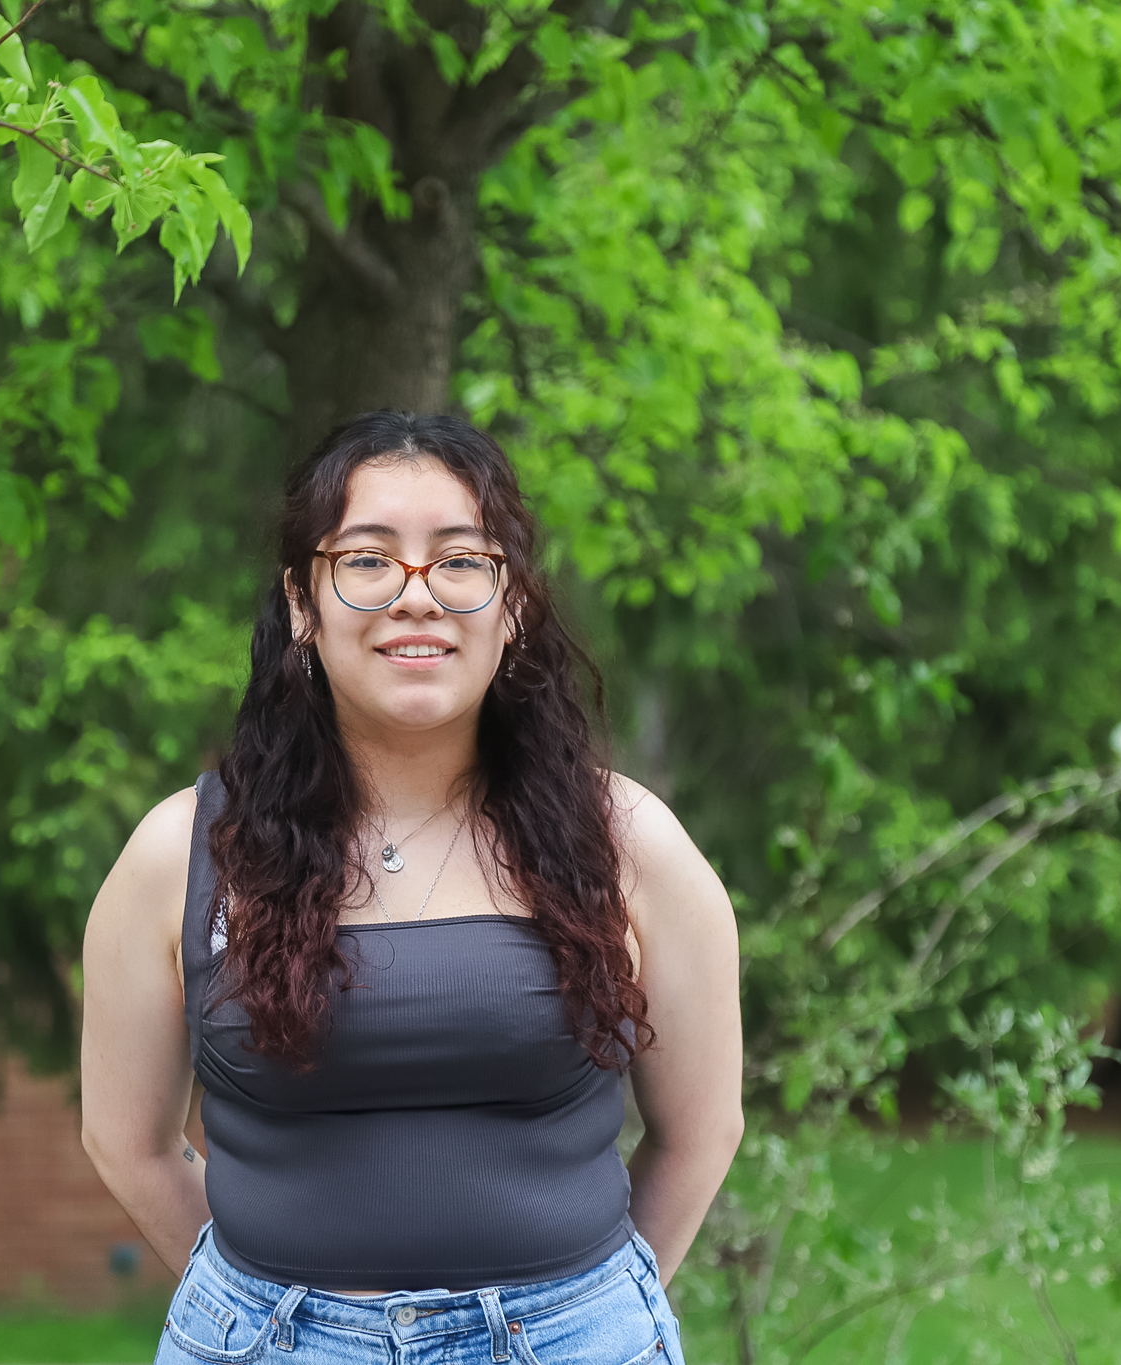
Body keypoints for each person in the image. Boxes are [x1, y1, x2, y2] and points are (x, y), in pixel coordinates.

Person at [80, 412, 743, 1364]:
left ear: (512, 604)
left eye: (461, 561)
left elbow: (701, 1131)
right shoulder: (183, 852)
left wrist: (592, 1315)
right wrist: (264, 1315)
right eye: (368, 559)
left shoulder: (627, 842)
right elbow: (127, 1140)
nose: (417, 596)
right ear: (302, 603)